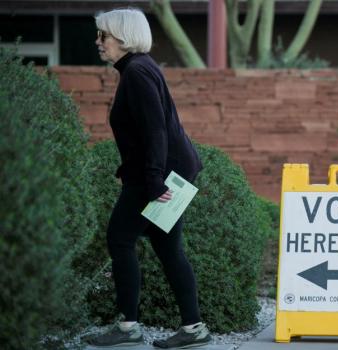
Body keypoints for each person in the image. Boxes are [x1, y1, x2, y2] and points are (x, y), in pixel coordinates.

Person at [87, 8, 210, 349]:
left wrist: (154, 181)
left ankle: (128, 327)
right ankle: (194, 328)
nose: (98, 42)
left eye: (104, 36)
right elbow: (148, 131)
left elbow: (155, 131)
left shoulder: (137, 73)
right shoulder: (139, 68)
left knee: (120, 239)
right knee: (168, 248)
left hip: (158, 175)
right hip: (165, 171)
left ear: (124, 38)